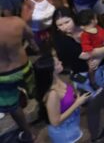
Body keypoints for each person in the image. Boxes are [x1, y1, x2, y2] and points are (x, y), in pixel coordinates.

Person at [52, 8, 104, 139]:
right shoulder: (62, 41)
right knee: (94, 107)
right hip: (83, 76)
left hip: (103, 69)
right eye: (59, 25)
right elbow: (87, 55)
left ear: (73, 18)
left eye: (66, 22)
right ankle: (94, 136)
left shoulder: (86, 25)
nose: (64, 27)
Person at [34, 53, 92, 143]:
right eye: (57, 63)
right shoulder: (52, 94)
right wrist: (77, 103)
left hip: (73, 123)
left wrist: (76, 97)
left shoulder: (58, 79)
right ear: (51, 71)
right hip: (65, 133)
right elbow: (55, 122)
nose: (61, 62)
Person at [0, 14, 38, 142]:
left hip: (4, 76)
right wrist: (34, 46)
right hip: (24, 68)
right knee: (33, 90)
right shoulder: (16, 21)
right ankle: (41, 108)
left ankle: (28, 133)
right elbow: (31, 37)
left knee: (13, 106)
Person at [76, 8, 104, 92]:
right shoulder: (85, 35)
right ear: (93, 20)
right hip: (95, 58)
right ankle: (95, 84)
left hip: (103, 55)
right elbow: (88, 50)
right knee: (95, 71)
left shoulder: (97, 28)